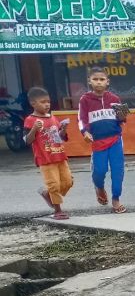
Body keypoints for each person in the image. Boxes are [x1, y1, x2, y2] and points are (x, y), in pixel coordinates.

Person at [77, 67, 128, 213]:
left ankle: (116, 199)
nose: (98, 82)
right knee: (99, 171)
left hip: (115, 140)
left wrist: (122, 116)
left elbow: (122, 119)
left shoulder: (115, 99)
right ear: (89, 81)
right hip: (98, 142)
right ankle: (99, 187)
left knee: (118, 171)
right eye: (95, 79)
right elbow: (81, 119)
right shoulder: (85, 99)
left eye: (102, 79)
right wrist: (85, 132)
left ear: (107, 82)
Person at [25, 87, 73, 220]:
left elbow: (60, 137)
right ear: (33, 103)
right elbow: (27, 140)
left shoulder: (52, 117)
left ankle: (47, 193)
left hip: (60, 155)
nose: (47, 104)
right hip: (45, 158)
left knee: (68, 182)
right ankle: (58, 210)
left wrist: (63, 129)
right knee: (54, 185)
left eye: (48, 102)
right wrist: (34, 129)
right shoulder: (30, 120)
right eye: (43, 102)